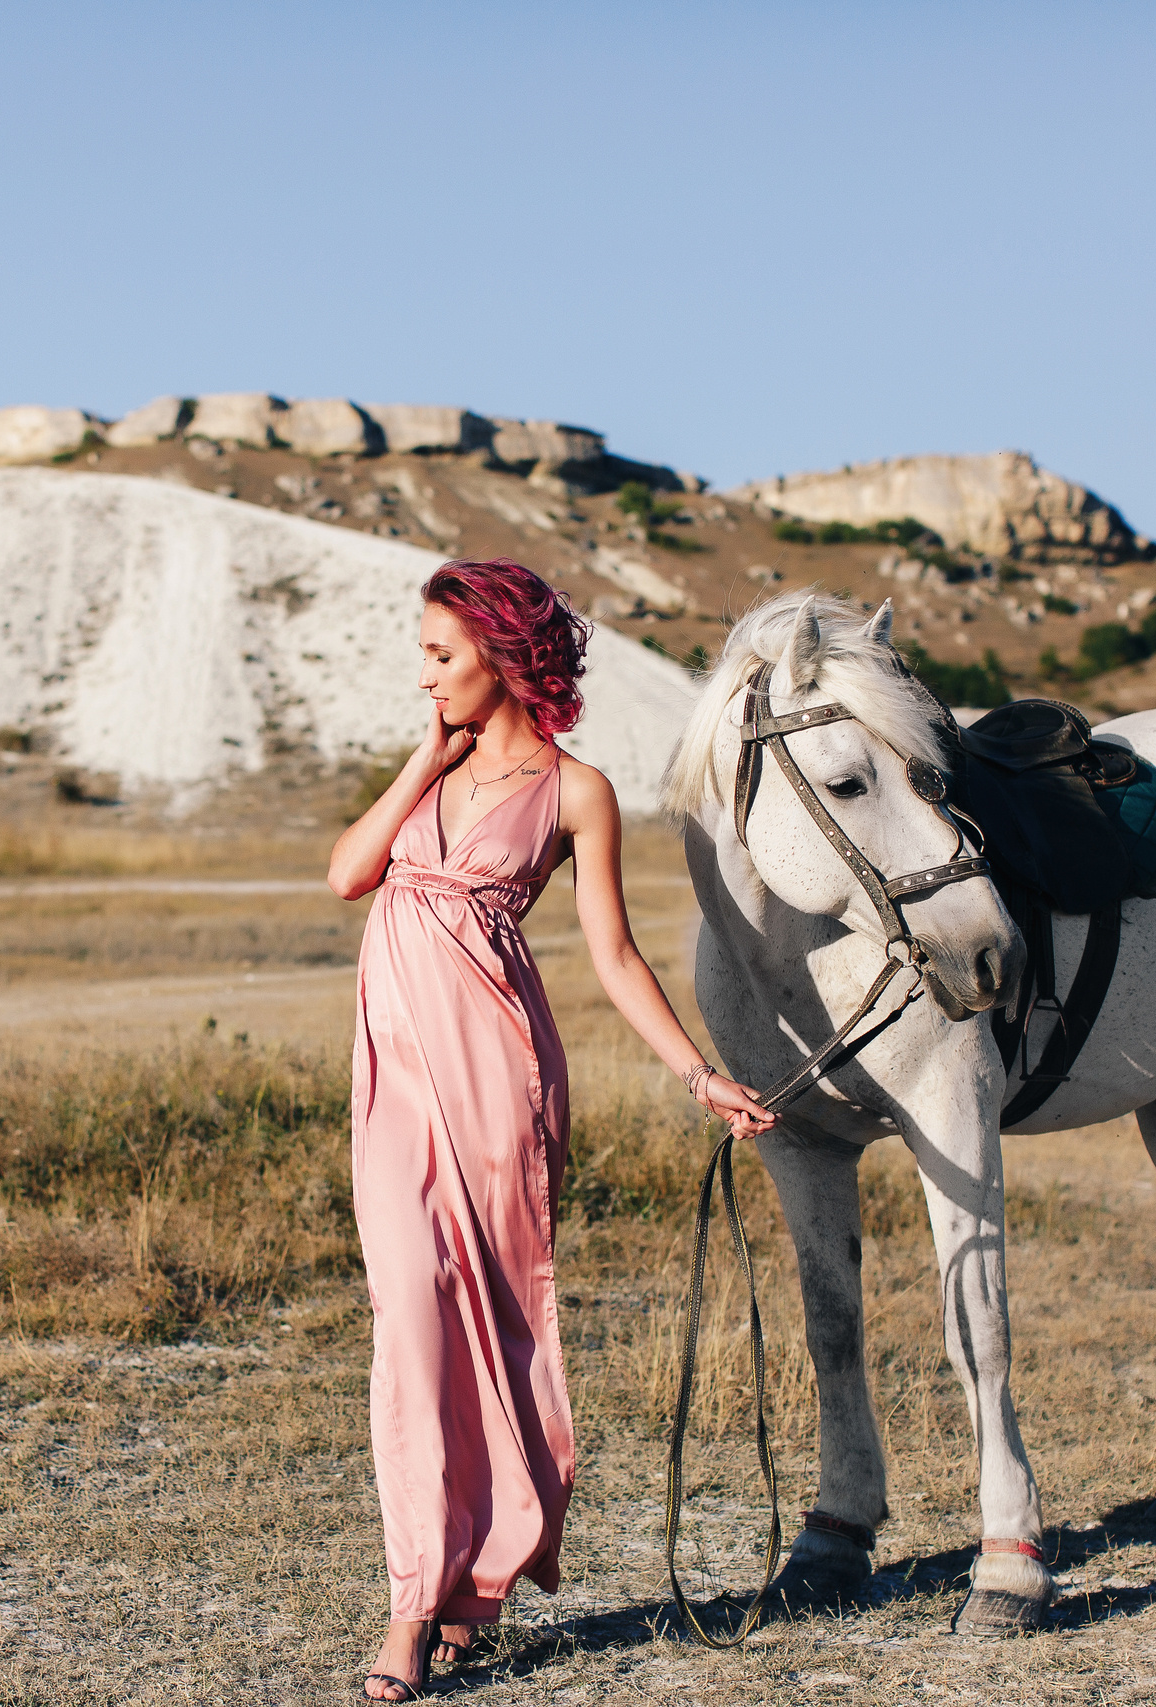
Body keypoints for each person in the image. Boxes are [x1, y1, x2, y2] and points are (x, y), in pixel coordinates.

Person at [327, 558, 776, 1700]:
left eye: (440, 654)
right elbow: (347, 877)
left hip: (499, 1082)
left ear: (501, 653)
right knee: (412, 1326)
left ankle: (473, 1591)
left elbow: (615, 955)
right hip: (395, 1084)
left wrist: (696, 1074)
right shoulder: (435, 758)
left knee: (498, 1326)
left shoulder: (577, 793)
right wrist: (424, 757)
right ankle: (412, 1599)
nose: (421, 673)